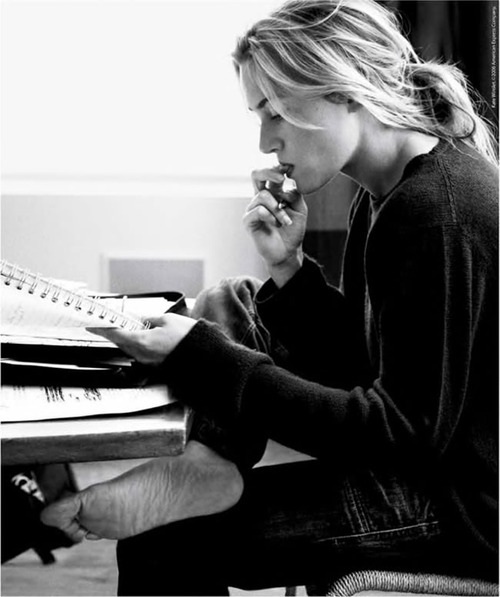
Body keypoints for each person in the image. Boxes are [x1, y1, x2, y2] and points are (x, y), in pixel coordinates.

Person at [41, 0, 498, 594]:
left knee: (162, 543)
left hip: (457, 505)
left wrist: (203, 356)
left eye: (275, 112)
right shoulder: (389, 191)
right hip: (421, 467)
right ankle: (208, 462)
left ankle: (207, 466)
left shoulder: (437, 212)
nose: (264, 141)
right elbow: (365, 365)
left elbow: (396, 432)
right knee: (238, 297)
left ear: (344, 90)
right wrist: (289, 267)